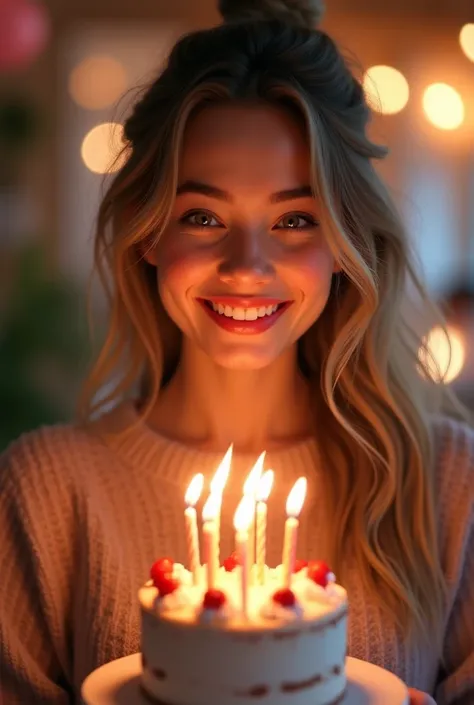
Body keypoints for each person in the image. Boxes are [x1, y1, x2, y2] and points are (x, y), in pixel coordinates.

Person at [0, 0, 472, 703]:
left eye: (293, 219)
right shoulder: (45, 495)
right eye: (203, 216)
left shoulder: (448, 487)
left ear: (344, 243)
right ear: (149, 232)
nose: (246, 265)